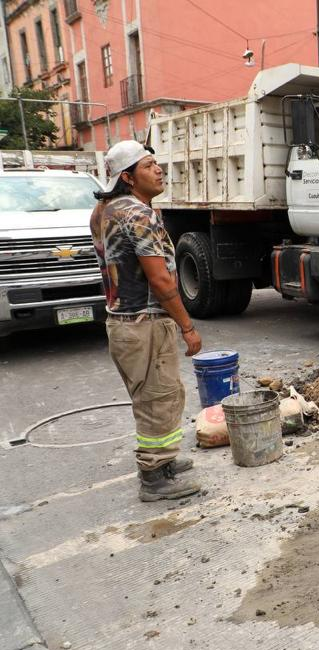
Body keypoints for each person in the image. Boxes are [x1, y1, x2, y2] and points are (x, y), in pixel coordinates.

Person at [90, 140, 204, 502]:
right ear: (127, 177)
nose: (158, 170)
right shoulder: (138, 214)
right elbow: (161, 281)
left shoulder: (105, 209)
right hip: (145, 323)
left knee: (155, 396)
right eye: (148, 165)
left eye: (156, 163)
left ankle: (163, 461)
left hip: (123, 324)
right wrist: (187, 327)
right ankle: (154, 477)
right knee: (159, 398)